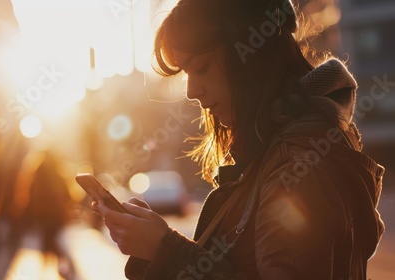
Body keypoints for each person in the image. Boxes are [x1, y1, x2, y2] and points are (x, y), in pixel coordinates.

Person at [94, 0, 385, 279]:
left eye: (202, 67)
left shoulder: (300, 165)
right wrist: (154, 249)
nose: (192, 91)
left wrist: (164, 250)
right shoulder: (276, 150)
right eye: (186, 73)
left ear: (250, 55)